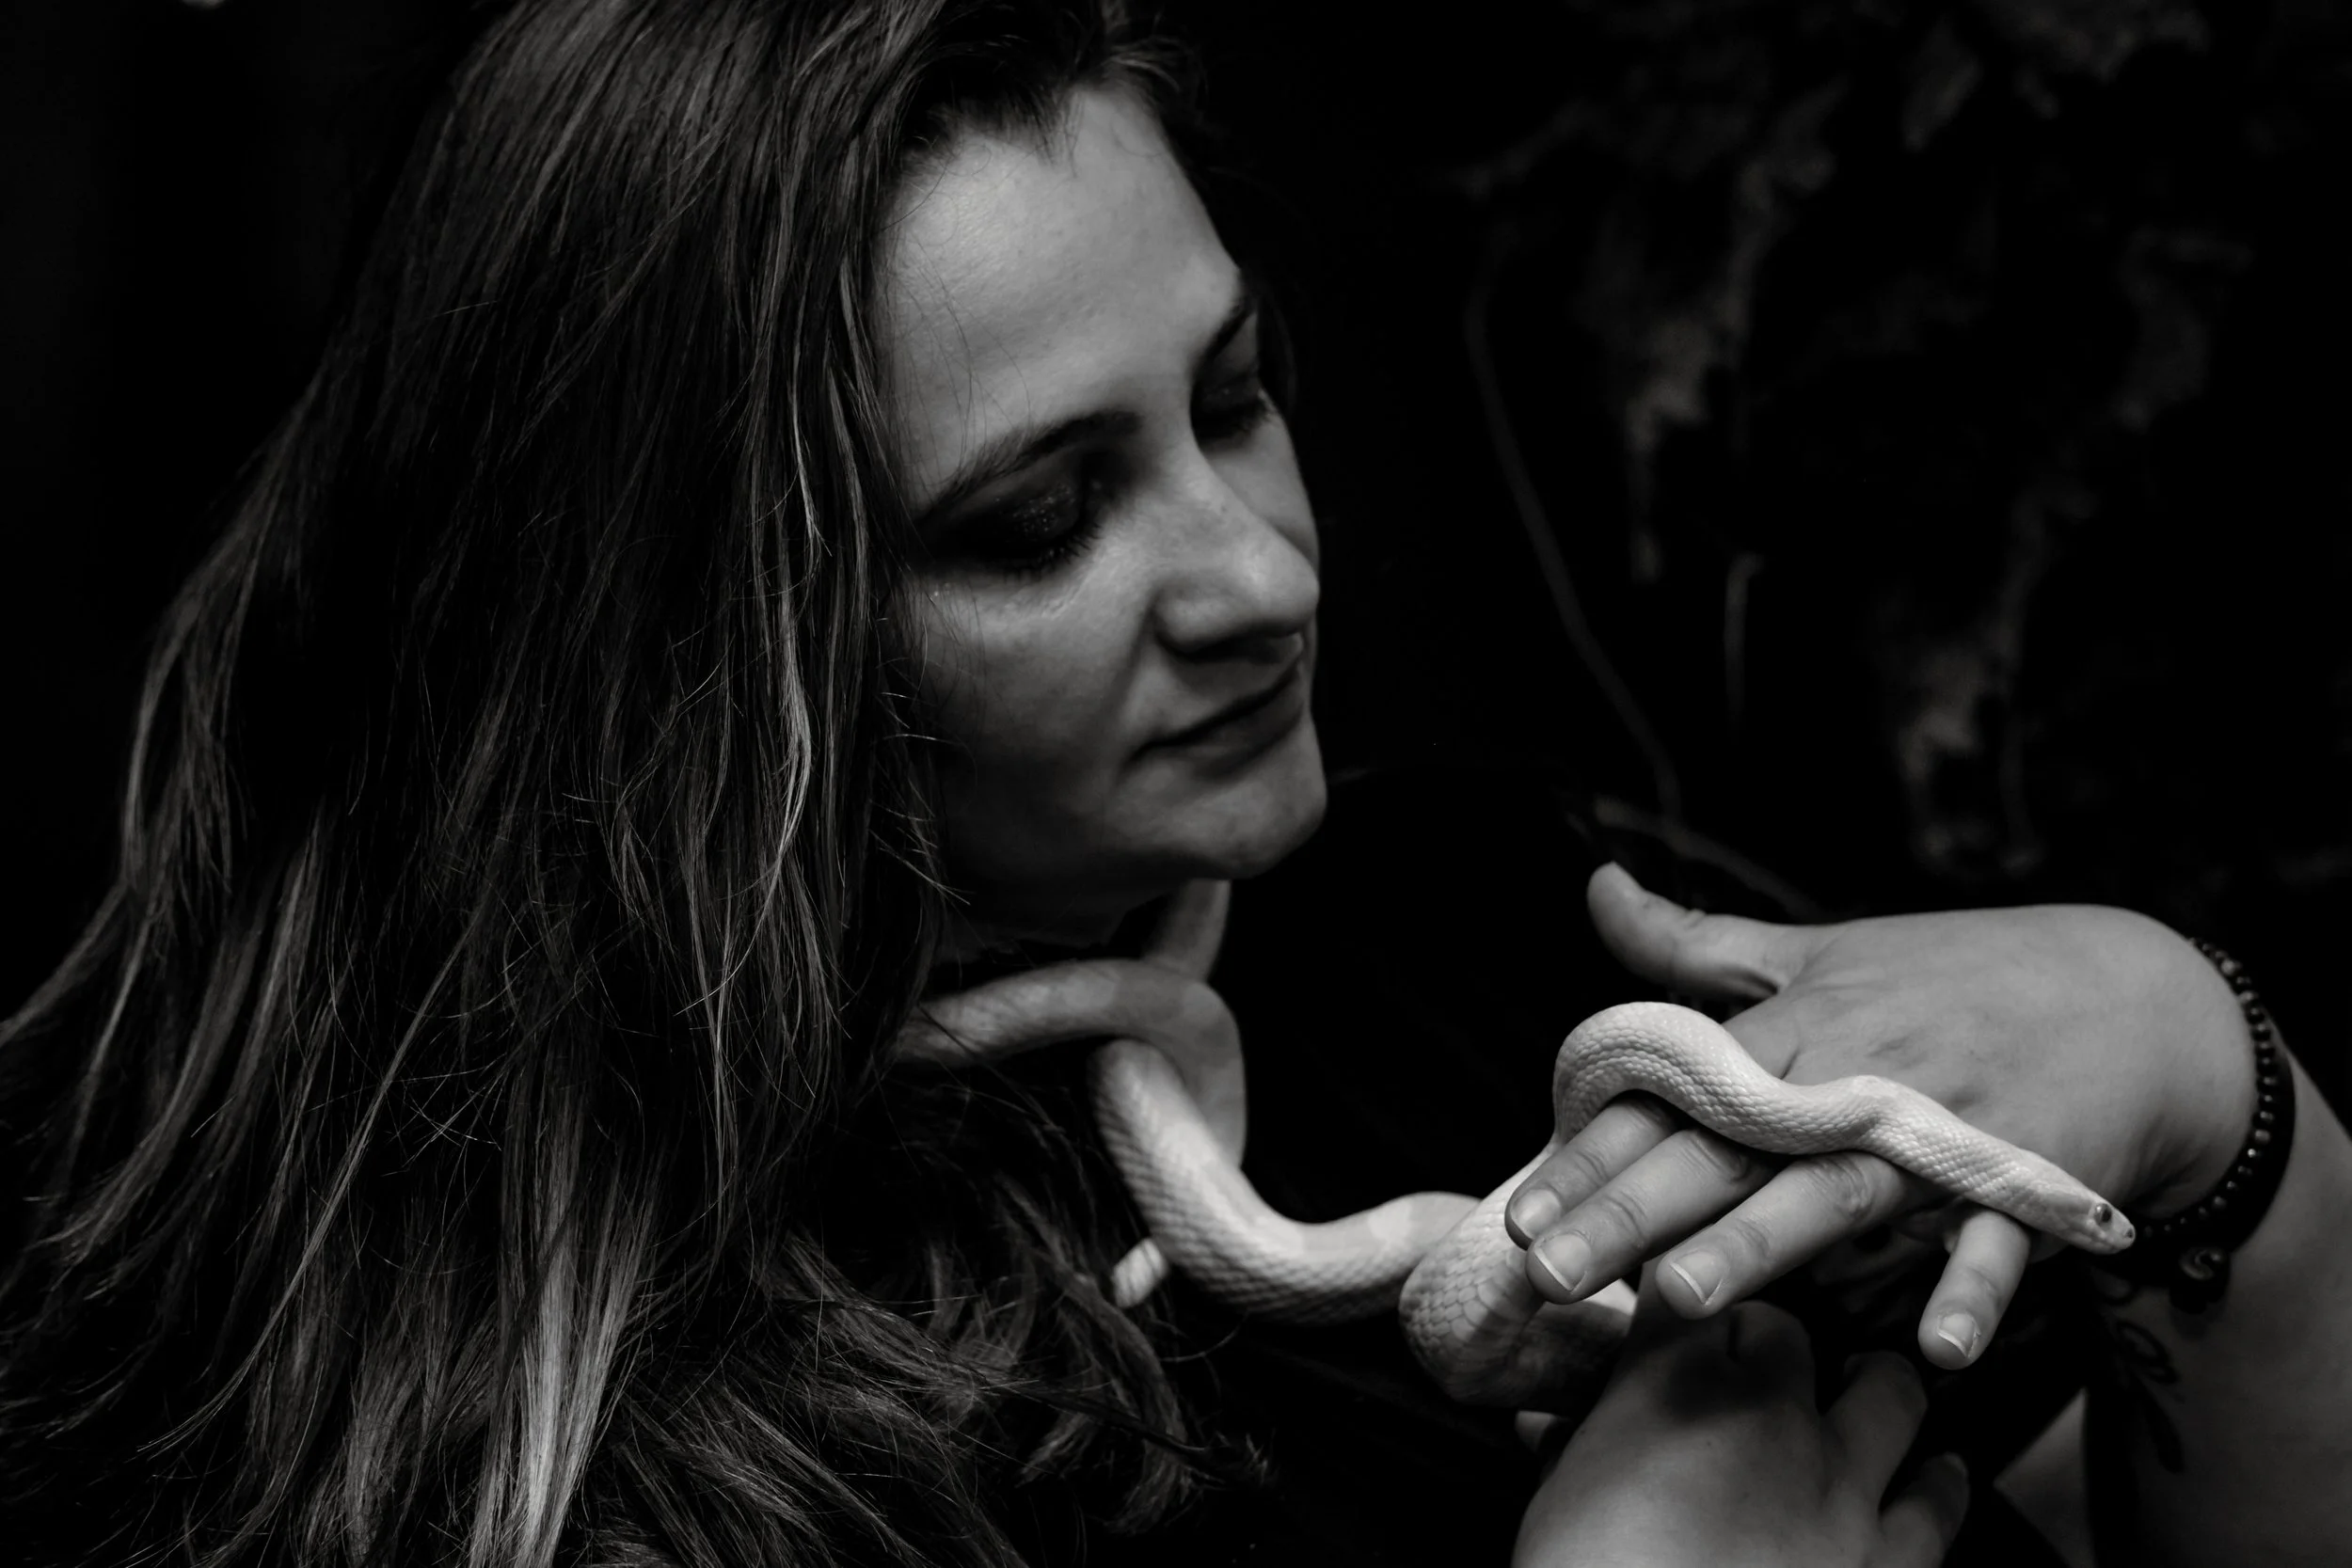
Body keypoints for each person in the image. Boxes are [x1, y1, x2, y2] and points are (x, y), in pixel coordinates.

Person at [0, 4, 2343, 1566]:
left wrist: (2228, 1106)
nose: (1256, 572)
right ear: (688, 664)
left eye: (1233, 395)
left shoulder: (1490, 932)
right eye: (1037, 519)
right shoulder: (536, 1456)